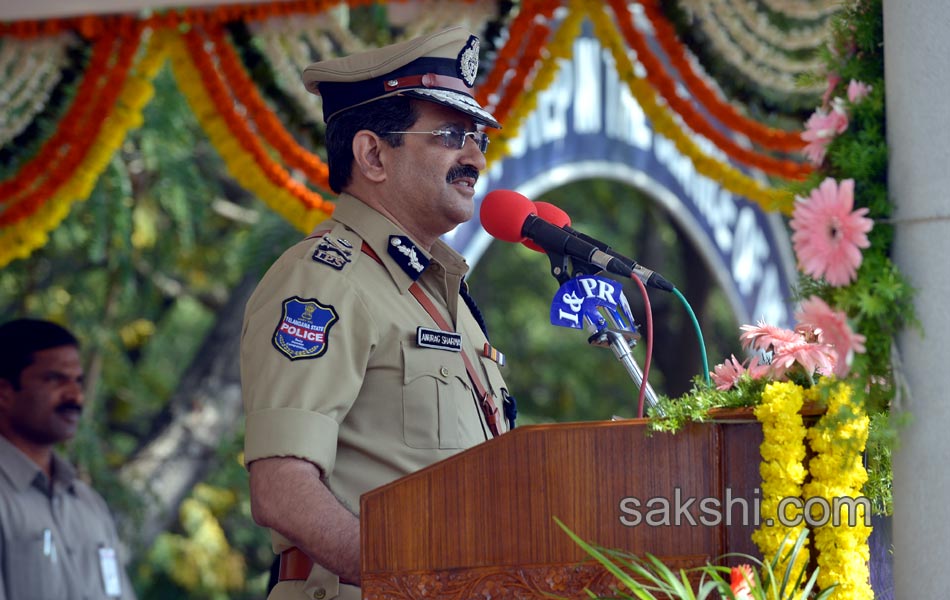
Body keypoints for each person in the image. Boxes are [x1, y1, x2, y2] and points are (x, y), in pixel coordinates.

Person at [240, 27, 514, 600]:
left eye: (477, 139)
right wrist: (413, 579)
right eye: (450, 135)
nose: (474, 157)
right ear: (372, 155)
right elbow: (282, 488)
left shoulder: (444, 292)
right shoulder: (321, 281)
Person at [0, 318, 136, 600]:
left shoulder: (88, 503)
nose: (75, 396)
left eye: (77, 382)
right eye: (54, 379)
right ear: (4, 392)